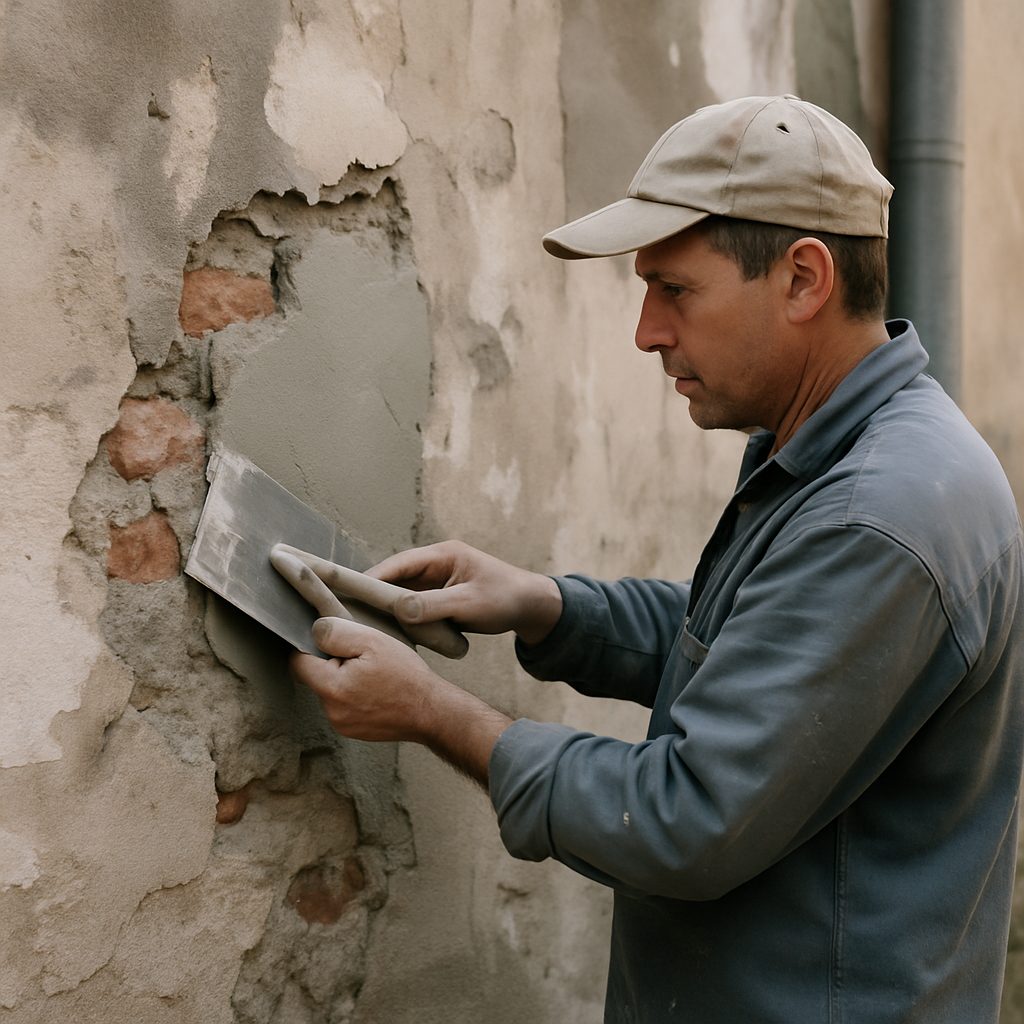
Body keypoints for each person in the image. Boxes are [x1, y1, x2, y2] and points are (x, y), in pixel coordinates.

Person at [287, 96, 1024, 1022]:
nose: (647, 332)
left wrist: (433, 713)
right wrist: (549, 606)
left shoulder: (880, 511)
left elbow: (685, 819)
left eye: (675, 289)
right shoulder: (847, 448)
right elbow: (758, 649)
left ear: (804, 279)